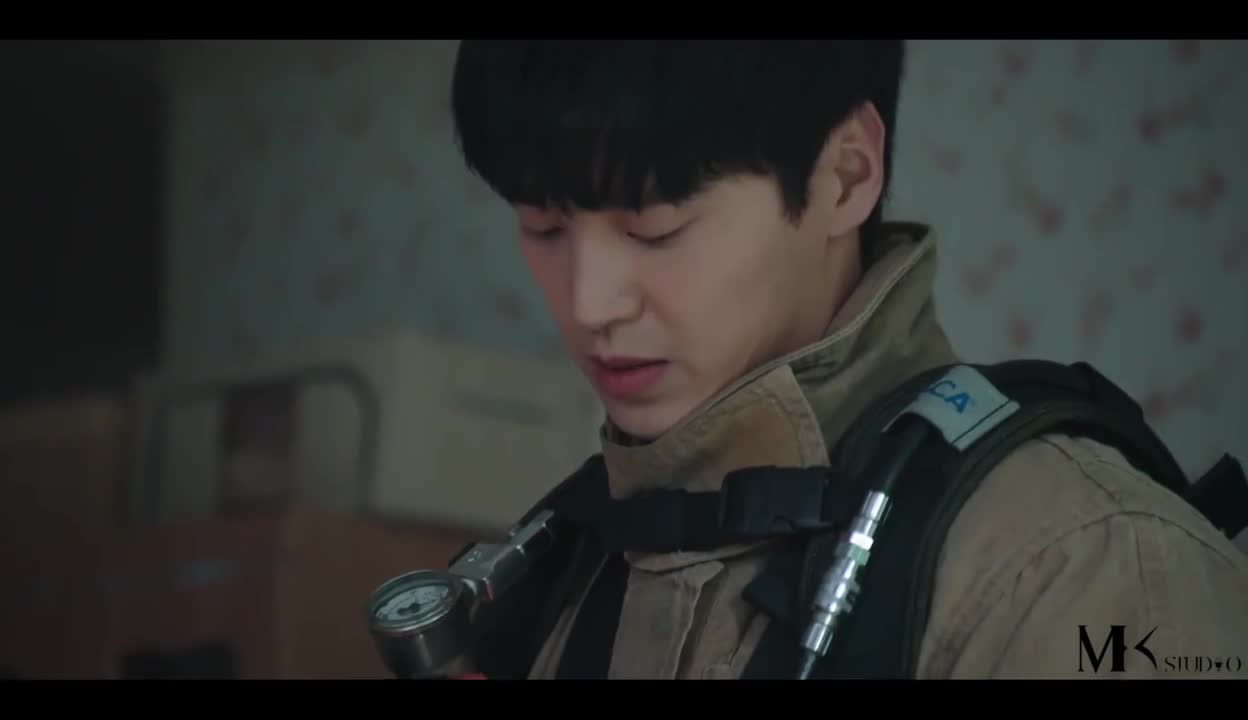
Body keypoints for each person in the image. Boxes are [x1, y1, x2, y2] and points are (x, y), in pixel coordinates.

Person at [446, 40, 1248, 679]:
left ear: (845, 175)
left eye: (654, 230)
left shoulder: (1086, 566)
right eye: (542, 226)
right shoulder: (554, 567)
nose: (588, 304)